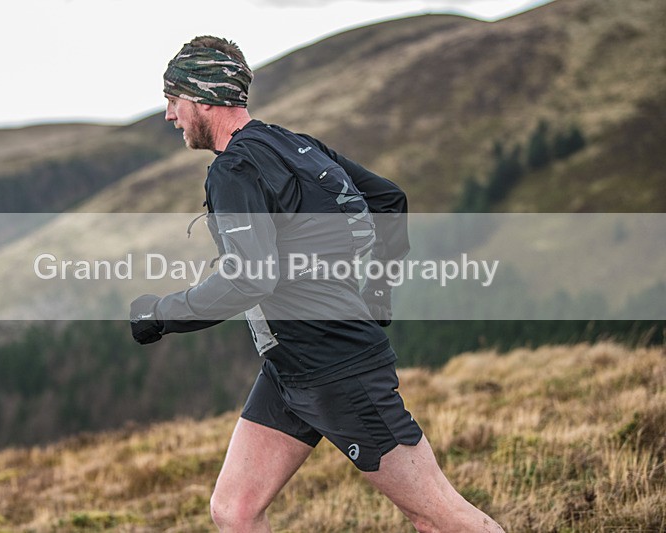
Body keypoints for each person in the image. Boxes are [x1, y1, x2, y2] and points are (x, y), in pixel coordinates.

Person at [130, 35, 504, 533]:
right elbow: (389, 200)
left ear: (203, 97)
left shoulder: (233, 169)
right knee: (235, 510)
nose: (169, 115)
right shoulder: (295, 145)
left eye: (173, 100)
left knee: (438, 517)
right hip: (289, 369)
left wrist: (160, 315)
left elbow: (249, 278)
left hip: (339, 371)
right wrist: (377, 293)